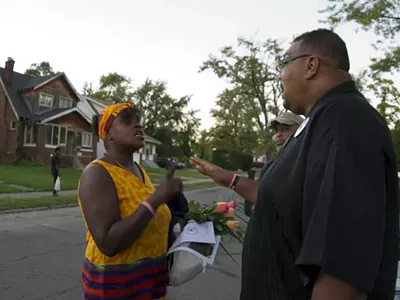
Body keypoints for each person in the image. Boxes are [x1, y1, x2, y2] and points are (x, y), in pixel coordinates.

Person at [190, 28, 399, 299]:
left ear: (311, 65)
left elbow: (343, 259)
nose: (280, 75)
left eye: (283, 63)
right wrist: (227, 178)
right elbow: (281, 202)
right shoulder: (319, 122)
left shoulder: (347, 120)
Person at [77, 102, 182, 300]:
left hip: (150, 284)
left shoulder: (139, 171)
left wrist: (182, 221)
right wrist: (156, 199)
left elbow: (150, 222)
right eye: (127, 120)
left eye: (138, 120)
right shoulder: (97, 172)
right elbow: (108, 243)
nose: (138, 125)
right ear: (108, 134)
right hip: (115, 288)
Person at [249, 111, 304, 215]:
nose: (278, 135)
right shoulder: (269, 167)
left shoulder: (308, 165)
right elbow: (251, 204)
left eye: (285, 130)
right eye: (276, 131)